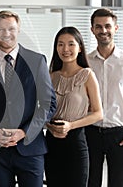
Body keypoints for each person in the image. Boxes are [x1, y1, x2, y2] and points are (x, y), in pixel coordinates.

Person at [0, 10, 56, 187]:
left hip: (30, 147)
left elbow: (48, 104)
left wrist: (24, 132)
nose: (6, 33)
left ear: (18, 30)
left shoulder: (36, 60)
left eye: (11, 28)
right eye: (1, 29)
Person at [44, 26, 103, 187]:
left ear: (79, 48)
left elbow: (98, 113)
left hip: (76, 142)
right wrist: (48, 125)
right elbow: (41, 110)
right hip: (51, 142)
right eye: (60, 44)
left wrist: (70, 126)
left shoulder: (87, 75)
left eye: (71, 44)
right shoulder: (50, 76)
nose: (65, 49)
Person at [85, 8, 123, 187]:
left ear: (116, 28)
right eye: (98, 27)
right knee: (90, 181)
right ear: (92, 29)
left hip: (120, 133)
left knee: (119, 182)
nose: (103, 31)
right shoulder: (85, 62)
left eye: (107, 26)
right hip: (90, 132)